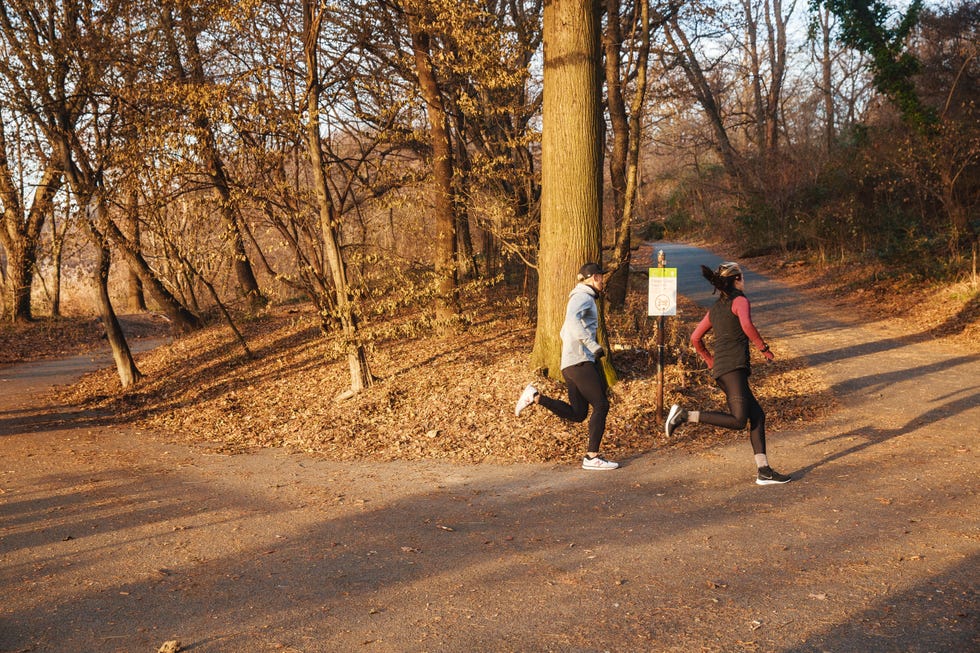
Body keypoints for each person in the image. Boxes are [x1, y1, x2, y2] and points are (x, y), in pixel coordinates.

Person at [664, 261, 792, 485]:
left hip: (723, 370)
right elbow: (747, 326)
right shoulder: (740, 301)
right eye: (741, 276)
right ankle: (684, 415)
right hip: (733, 368)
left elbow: (695, 337)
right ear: (735, 280)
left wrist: (710, 361)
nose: (744, 280)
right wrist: (764, 349)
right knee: (739, 420)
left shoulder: (715, 309)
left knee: (757, 416)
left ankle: (764, 471)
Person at [515, 262, 618, 470]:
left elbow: (564, 330)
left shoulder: (580, 297)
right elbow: (571, 325)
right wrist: (592, 346)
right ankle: (592, 457)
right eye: (600, 276)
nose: (602, 280)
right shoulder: (583, 297)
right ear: (592, 278)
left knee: (578, 413)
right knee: (601, 405)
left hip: (571, 363)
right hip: (579, 361)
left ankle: (535, 396)